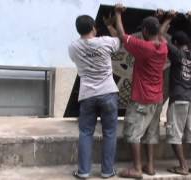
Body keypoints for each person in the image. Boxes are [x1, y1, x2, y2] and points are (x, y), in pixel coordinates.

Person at [113, 3, 168, 179]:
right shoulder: (163, 46)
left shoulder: (145, 48)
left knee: (133, 133)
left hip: (142, 98)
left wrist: (117, 13)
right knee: (151, 133)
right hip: (157, 98)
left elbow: (122, 36)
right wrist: (158, 20)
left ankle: (137, 168)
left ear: (144, 30)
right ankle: (150, 166)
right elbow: (159, 34)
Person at [68, 15, 120, 179]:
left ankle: (83, 171)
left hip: (87, 94)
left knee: (85, 133)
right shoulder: (105, 41)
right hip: (108, 92)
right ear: (93, 27)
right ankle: (107, 171)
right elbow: (120, 39)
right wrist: (111, 25)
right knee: (110, 133)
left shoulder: (73, 47)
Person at [158, 10, 191, 176]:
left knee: (174, 134)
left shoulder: (176, 53)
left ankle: (183, 166)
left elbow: (160, 34)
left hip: (178, 99)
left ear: (175, 42)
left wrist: (168, 18)